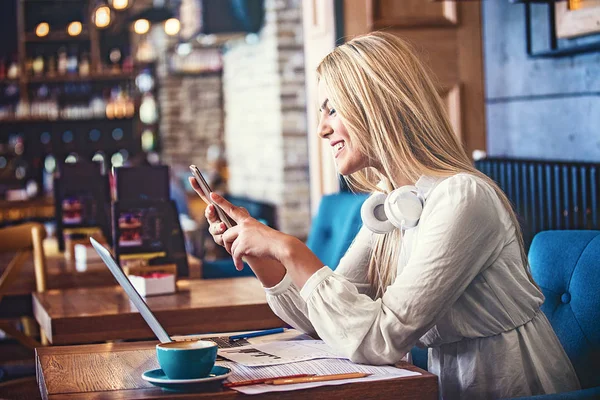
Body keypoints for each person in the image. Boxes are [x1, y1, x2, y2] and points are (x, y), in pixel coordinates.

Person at [189, 32, 580, 399]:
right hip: (443, 385)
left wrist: (290, 249)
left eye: (333, 109)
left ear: (378, 105)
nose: (322, 128)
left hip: (514, 384)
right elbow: (318, 320)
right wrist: (259, 252)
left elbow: (378, 339)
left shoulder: (463, 197)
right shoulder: (392, 202)